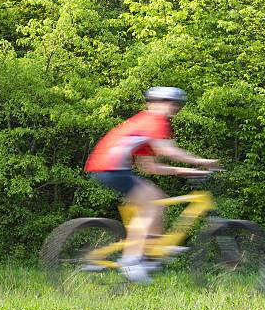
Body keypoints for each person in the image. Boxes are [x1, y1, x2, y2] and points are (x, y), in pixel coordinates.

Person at [83, 87, 220, 282]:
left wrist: (185, 171)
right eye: (167, 102)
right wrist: (201, 161)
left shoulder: (141, 124)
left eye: (176, 104)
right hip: (111, 167)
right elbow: (168, 151)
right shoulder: (155, 120)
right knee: (149, 205)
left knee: (156, 198)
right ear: (153, 103)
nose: (173, 107)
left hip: (104, 167)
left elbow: (149, 167)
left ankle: (151, 250)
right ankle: (131, 260)